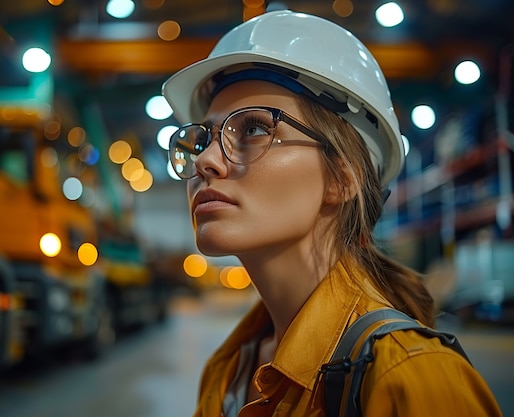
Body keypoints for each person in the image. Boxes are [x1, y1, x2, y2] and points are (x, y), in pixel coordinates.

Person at [161, 9, 503, 417]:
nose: (205, 162)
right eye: (202, 140)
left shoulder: (413, 378)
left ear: (343, 179)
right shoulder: (229, 369)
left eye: (253, 129)